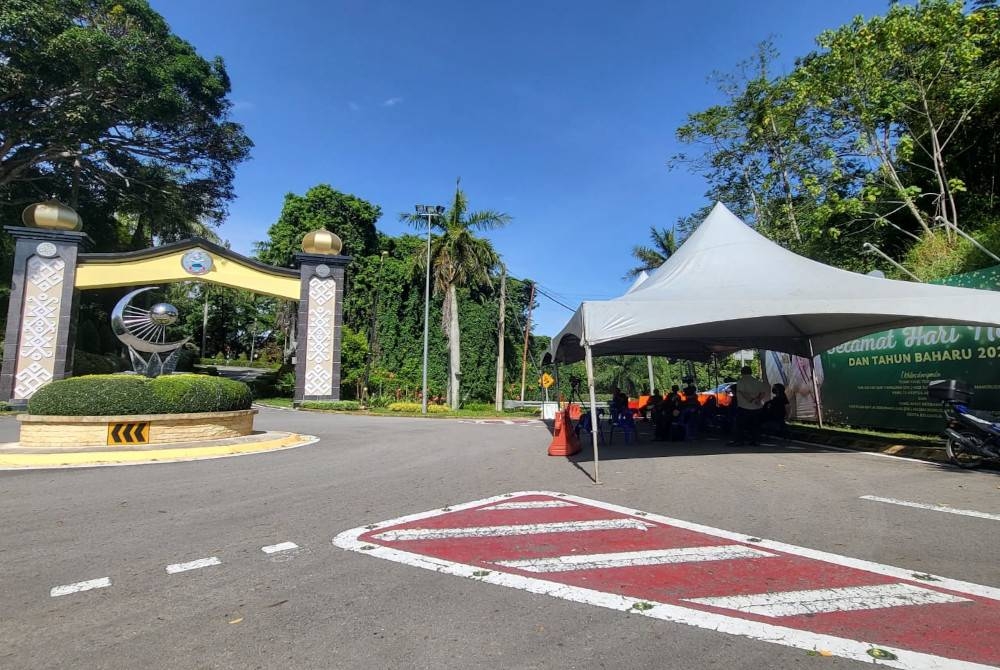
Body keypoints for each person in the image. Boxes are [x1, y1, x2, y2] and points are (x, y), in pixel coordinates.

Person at [732, 366, 769, 446]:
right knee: (755, 425)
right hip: (757, 408)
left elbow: (742, 392)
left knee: (740, 425)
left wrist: (751, 399)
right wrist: (758, 400)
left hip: (744, 407)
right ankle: (755, 440)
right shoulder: (757, 382)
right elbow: (762, 393)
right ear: (751, 372)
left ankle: (739, 441)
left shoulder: (741, 382)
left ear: (742, 372)